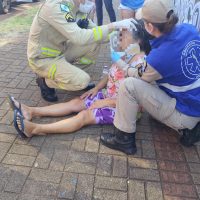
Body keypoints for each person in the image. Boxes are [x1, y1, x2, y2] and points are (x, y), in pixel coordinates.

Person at [11, 25, 150, 138]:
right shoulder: (126, 56)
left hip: (124, 109)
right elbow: (111, 75)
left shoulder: (142, 65)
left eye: (124, 36)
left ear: (137, 42)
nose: (119, 39)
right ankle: (31, 111)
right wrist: (96, 89)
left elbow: (135, 98)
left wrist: (104, 102)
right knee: (76, 103)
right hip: (109, 96)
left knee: (84, 116)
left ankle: (35, 129)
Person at [100, 0, 200, 155]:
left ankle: (123, 139)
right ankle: (188, 126)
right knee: (153, 84)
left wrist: (121, 62)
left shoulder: (160, 57)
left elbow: (139, 76)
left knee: (129, 85)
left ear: (150, 27)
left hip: (186, 113)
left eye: (144, 22)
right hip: (195, 101)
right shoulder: (189, 29)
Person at [27, 0, 134, 102]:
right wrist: (112, 25)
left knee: (93, 43)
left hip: (61, 51)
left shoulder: (76, 7)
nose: (92, 1)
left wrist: (122, 35)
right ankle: (45, 82)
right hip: (43, 58)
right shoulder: (56, 7)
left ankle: (71, 74)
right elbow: (80, 37)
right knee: (83, 81)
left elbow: (96, 33)